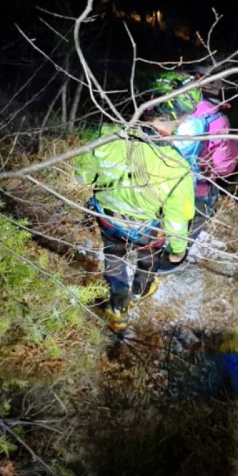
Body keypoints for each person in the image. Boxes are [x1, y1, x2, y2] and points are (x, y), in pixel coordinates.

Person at [74, 122, 195, 333]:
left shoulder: (107, 135)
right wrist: (178, 250)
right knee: (149, 256)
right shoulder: (175, 165)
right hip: (146, 228)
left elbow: (82, 176)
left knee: (114, 257)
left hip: (108, 218)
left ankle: (118, 308)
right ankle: (139, 291)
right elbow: (176, 219)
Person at [142, 70, 238, 235]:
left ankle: (141, 247)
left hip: (149, 178)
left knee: (146, 230)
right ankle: (174, 250)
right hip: (193, 191)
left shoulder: (163, 102)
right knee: (184, 233)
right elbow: (222, 167)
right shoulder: (217, 120)